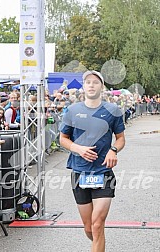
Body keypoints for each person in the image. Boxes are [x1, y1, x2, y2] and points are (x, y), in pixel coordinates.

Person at [59, 70, 125, 252]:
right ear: (83, 86)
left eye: (95, 82)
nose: (91, 85)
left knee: (97, 225)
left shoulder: (113, 111)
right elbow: (62, 138)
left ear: (101, 86)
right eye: (88, 82)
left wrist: (113, 150)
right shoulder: (72, 110)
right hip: (79, 173)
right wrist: (78, 148)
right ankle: (99, 242)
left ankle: (98, 241)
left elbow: (121, 138)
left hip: (103, 173)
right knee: (90, 229)